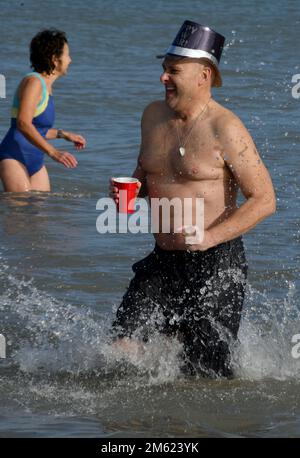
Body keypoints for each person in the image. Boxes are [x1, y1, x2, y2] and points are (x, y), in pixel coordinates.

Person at [109, 20, 276, 377]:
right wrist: (131, 191)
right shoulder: (152, 116)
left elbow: (264, 199)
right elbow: (145, 172)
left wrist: (210, 237)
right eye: (164, 69)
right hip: (162, 262)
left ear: (204, 75)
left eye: (173, 71)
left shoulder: (226, 127)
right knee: (119, 351)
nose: (163, 78)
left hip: (217, 264)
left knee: (205, 377)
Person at [0, 29, 86, 192]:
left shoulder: (46, 86)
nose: (70, 60)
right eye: (67, 55)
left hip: (36, 159)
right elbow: (23, 124)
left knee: (42, 213)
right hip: (14, 156)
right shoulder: (34, 82)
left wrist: (63, 134)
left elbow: (37, 130)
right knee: (20, 212)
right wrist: (53, 152)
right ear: (55, 59)